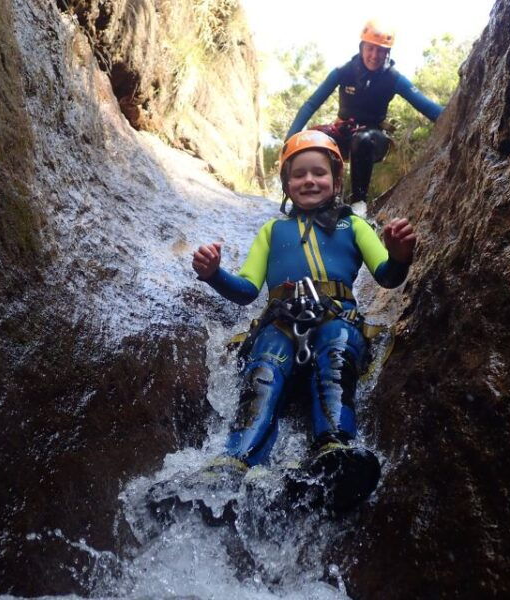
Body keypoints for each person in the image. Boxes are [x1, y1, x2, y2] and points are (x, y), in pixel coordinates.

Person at [189, 130, 417, 509]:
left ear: (336, 181)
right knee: (264, 367)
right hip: (281, 323)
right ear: (286, 184)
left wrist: (399, 256)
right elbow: (247, 289)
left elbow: (387, 276)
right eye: (299, 175)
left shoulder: (354, 226)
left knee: (337, 351)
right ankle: (234, 458)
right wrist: (214, 273)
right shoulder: (272, 230)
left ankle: (334, 443)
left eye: (319, 173)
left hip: (336, 318)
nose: (309, 181)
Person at [287, 19, 444, 204]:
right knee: (313, 140)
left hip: (373, 140)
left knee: (362, 139)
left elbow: (427, 107)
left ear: (387, 52)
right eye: (370, 48)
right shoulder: (344, 72)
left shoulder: (393, 79)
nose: (374, 55)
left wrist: (455, 112)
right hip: (343, 133)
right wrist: (290, 140)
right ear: (362, 48)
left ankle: (358, 204)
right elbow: (311, 104)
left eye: (381, 50)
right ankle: (320, 200)